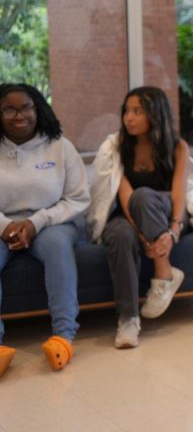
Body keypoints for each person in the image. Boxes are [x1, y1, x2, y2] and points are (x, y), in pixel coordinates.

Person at [88, 86, 193, 349]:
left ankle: (163, 273)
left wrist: (174, 230)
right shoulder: (118, 146)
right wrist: (144, 235)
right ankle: (128, 319)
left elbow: (179, 193)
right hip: (127, 214)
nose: (128, 118)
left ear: (156, 115)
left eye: (137, 112)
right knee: (122, 232)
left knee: (145, 196)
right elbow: (124, 196)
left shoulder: (177, 147)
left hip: (167, 212)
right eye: (126, 111)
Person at [0, 83, 89, 376]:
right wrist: (5, 226)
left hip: (52, 223)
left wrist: (35, 222)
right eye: (9, 109)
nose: (18, 115)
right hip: (2, 225)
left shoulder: (60, 146)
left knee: (56, 247)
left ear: (38, 108)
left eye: (26, 107)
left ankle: (63, 337)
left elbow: (77, 198)